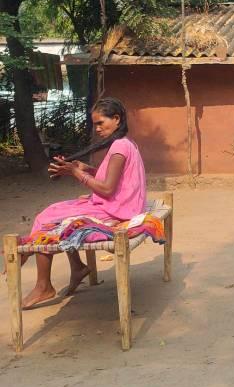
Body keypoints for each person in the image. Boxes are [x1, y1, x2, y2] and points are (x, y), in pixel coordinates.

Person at [21, 97, 146, 309]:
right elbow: (113, 178)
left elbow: (107, 189)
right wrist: (86, 169)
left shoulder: (120, 146)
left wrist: (76, 173)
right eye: (95, 124)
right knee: (61, 209)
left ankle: (44, 286)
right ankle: (78, 267)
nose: (97, 129)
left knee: (46, 219)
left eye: (101, 123)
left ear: (116, 119)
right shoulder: (125, 143)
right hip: (123, 205)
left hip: (118, 210)